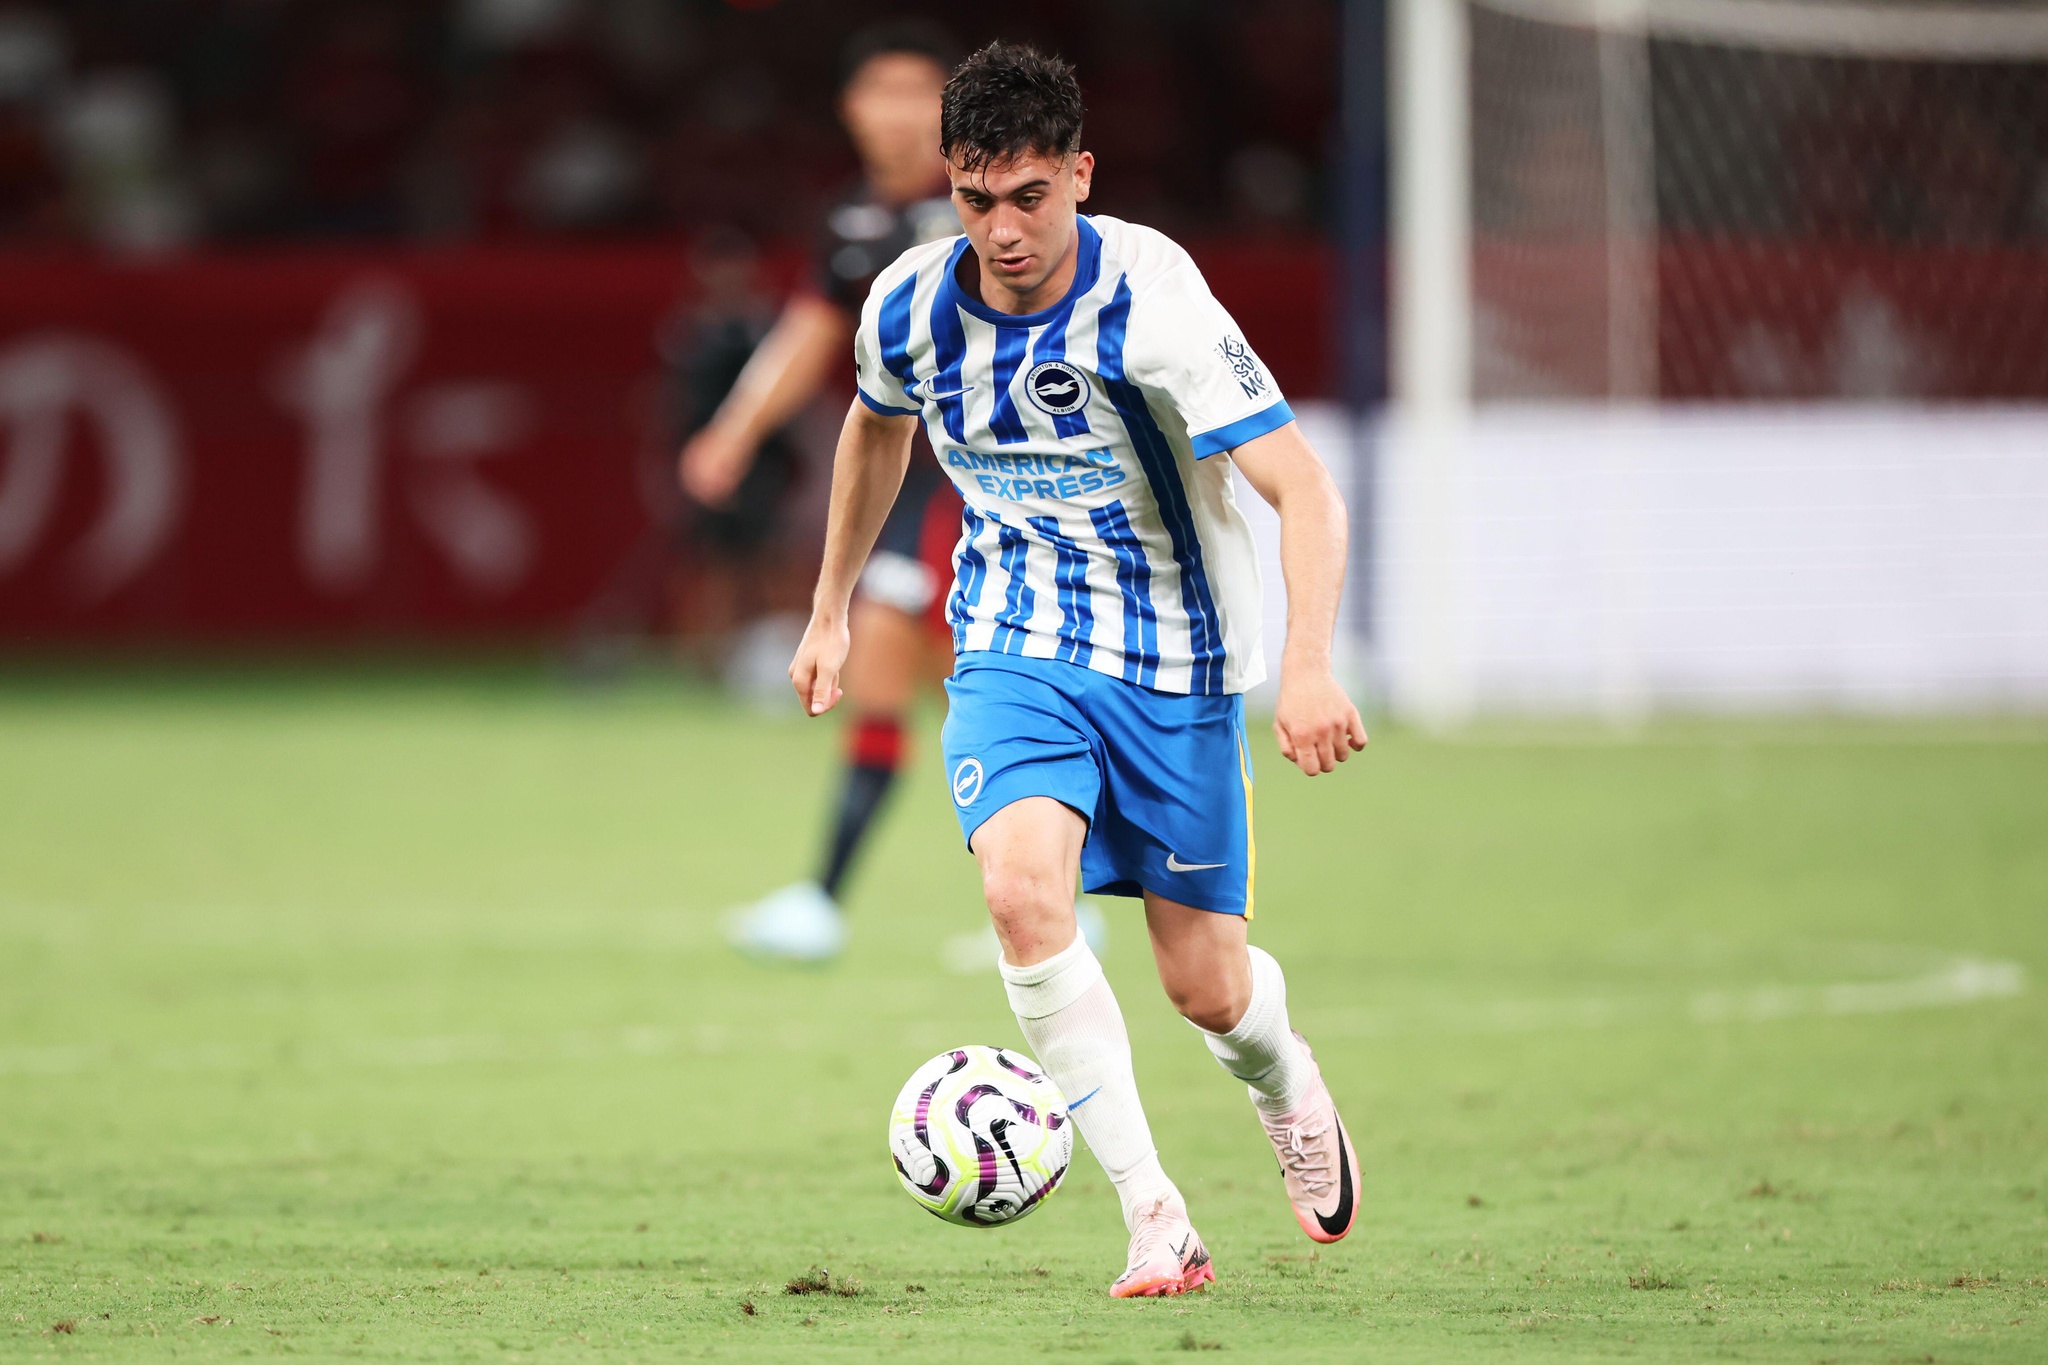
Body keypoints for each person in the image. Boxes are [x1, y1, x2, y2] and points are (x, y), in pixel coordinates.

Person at [789, 43, 1367, 1298]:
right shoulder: (906, 304)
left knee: (1205, 989)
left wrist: (1309, 667)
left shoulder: (1154, 302)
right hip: (1012, 644)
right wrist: (828, 607)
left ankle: (1284, 1079)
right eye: (974, 199)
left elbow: (1303, 489)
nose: (1002, 231)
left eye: (1029, 197)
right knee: (1017, 896)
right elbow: (873, 432)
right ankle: (1153, 1214)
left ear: (1080, 176)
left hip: (1176, 661)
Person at [692, 24, 964, 961]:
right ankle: (825, 901)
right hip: (907, 491)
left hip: (986, 487)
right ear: (851, 109)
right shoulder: (852, 221)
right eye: (881, 92)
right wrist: (734, 429)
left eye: (918, 92)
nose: (899, 113)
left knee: (966, 684)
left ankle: (1063, 896)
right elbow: (806, 334)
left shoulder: (985, 206)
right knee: (900, 682)